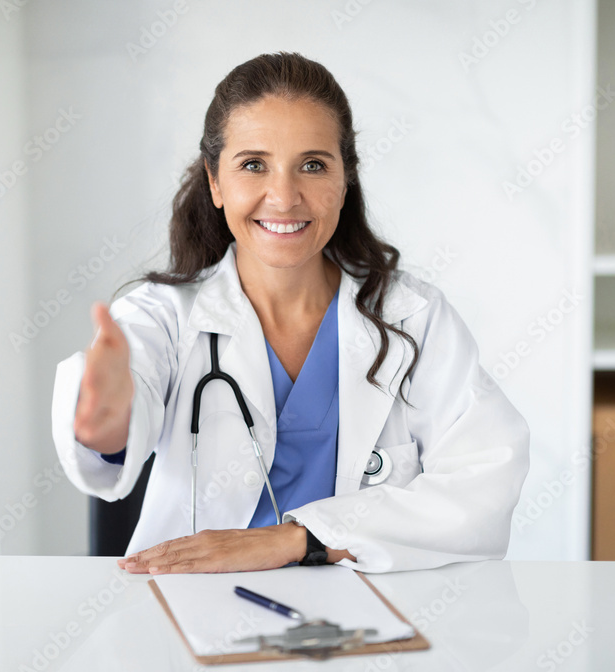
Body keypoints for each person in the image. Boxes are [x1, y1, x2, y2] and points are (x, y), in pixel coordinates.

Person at [51, 51, 529, 575]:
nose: (283, 197)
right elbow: (113, 431)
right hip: (194, 609)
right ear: (215, 181)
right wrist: (107, 423)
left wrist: (302, 539)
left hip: (363, 621)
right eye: (253, 165)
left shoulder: (413, 319)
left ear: (346, 180)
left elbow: (484, 479)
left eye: (313, 165)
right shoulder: (161, 317)